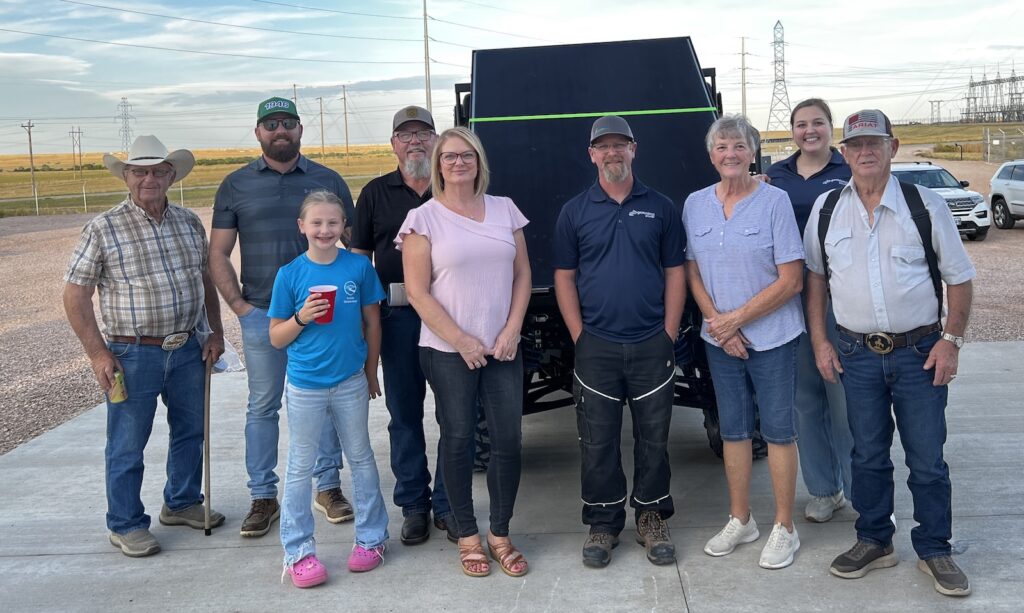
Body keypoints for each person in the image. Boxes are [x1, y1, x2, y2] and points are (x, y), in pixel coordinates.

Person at [804, 109, 975, 597]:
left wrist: (952, 341)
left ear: (893, 147)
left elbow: (959, 278)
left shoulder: (926, 206)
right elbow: (816, 280)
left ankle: (934, 548)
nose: (865, 152)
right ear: (844, 153)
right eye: (855, 145)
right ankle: (875, 540)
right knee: (868, 455)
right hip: (856, 354)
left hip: (919, 354)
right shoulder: (826, 209)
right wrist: (820, 340)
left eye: (874, 143)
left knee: (926, 457)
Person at [63, 135, 226, 557]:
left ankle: (182, 502)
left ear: (171, 174)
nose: (149, 179)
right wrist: (99, 354)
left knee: (191, 432)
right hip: (132, 354)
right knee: (127, 442)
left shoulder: (189, 221)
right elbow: (75, 295)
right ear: (126, 176)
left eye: (157, 171)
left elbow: (205, 280)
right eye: (139, 171)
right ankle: (125, 523)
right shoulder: (103, 228)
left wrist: (215, 332)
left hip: (189, 347)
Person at [210, 97, 356, 537]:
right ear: (258, 132)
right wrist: (239, 306)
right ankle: (262, 496)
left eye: (288, 123)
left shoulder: (327, 179)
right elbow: (217, 252)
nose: (280, 131)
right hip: (261, 315)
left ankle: (328, 487)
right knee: (264, 406)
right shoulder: (235, 185)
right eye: (271, 124)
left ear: (300, 130)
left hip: (323, 315)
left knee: (325, 399)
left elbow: (353, 241)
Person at [396, 127, 531, 578]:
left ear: (479, 161)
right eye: (449, 156)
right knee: (458, 439)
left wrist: (511, 329)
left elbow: (522, 276)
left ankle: (500, 533)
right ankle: (469, 535)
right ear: (438, 164)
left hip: (502, 347)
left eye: (466, 155)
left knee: (508, 441)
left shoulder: (504, 210)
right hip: (448, 350)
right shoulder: (423, 219)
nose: (458, 162)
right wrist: (460, 339)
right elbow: (416, 292)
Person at [553, 115, 685, 569]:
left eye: (620, 145)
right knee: (597, 440)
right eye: (603, 146)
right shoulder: (574, 211)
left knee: (654, 437)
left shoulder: (661, 207)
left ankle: (651, 516)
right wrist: (578, 336)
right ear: (591, 154)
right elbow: (564, 278)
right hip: (597, 346)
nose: (612, 153)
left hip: (652, 342)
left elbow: (675, 272)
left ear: (634, 149)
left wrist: (669, 332)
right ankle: (604, 523)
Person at [685, 115, 805, 570]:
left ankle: (784, 528)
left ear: (752, 152)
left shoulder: (774, 201)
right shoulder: (695, 204)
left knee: (777, 432)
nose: (730, 154)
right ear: (711, 155)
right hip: (721, 341)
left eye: (738, 146)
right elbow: (692, 268)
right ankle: (741, 519)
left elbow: (791, 280)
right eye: (721, 147)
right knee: (733, 431)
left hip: (772, 338)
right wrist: (718, 324)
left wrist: (736, 321)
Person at [268, 191, 389, 587]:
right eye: (316, 223)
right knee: (300, 466)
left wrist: (371, 373)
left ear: (343, 227)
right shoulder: (290, 275)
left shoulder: (358, 268)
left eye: (333, 223)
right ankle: (298, 552)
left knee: (361, 457)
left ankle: (371, 539)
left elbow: (372, 324)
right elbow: (276, 338)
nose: (325, 230)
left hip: (351, 382)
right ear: (302, 226)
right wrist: (301, 317)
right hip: (305, 386)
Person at [351, 106, 453, 545]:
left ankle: (450, 505)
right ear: (393, 143)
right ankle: (414, 503)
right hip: (397, 320)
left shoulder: (456, 188)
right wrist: (361, 319)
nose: (414, 141)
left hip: (451, 319)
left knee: (455, 414)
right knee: (405, 415)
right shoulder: (374, 193)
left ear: (435, 140)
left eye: (423, 133)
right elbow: (358, 262)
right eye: (405, 135)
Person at [766, 98, 854, 522]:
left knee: (844, 399)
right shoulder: (775, 176)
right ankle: (823, 489)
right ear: (793, 131)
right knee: (804, 401)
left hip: (839, 298)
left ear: (830, 127)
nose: (809, 131)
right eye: (801, 124)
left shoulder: (848, 171)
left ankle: (862, 493)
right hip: (789, 301)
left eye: (817, 122)